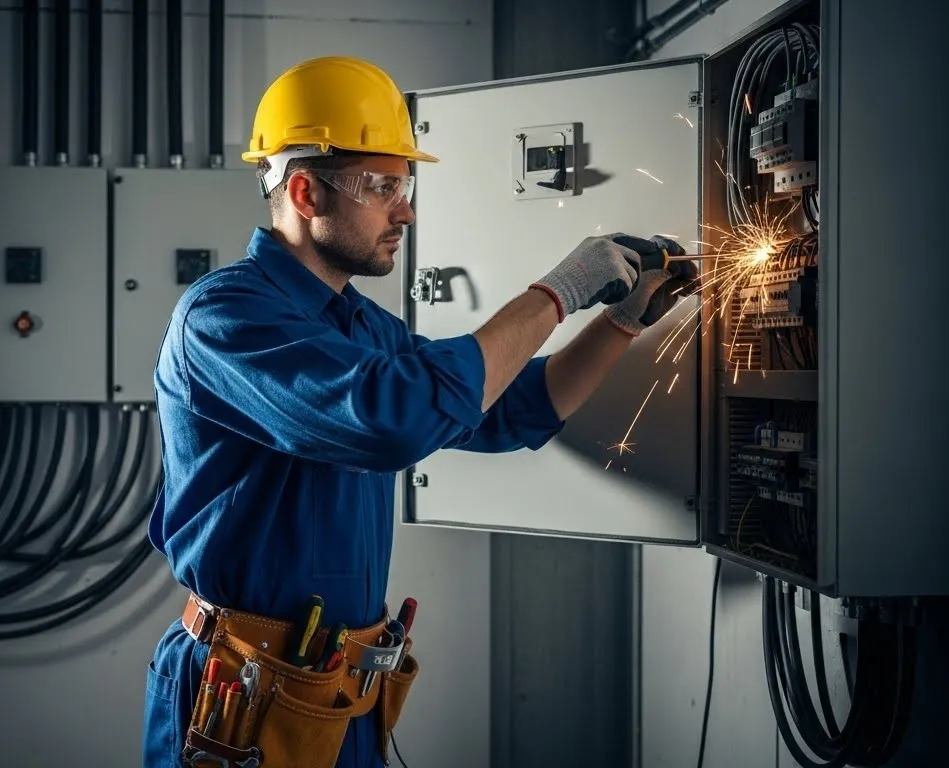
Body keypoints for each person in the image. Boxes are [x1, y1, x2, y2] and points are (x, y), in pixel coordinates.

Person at [141, 56, 696, 768]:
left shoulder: (362, 329)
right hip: (240, 697)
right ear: (305, 191)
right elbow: (392, 419)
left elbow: (499, 410)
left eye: (404, 185)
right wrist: (557, 290)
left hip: (338, 690)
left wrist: (619, 320)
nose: (405, 209)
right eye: (381, 186)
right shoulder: (224, 318)